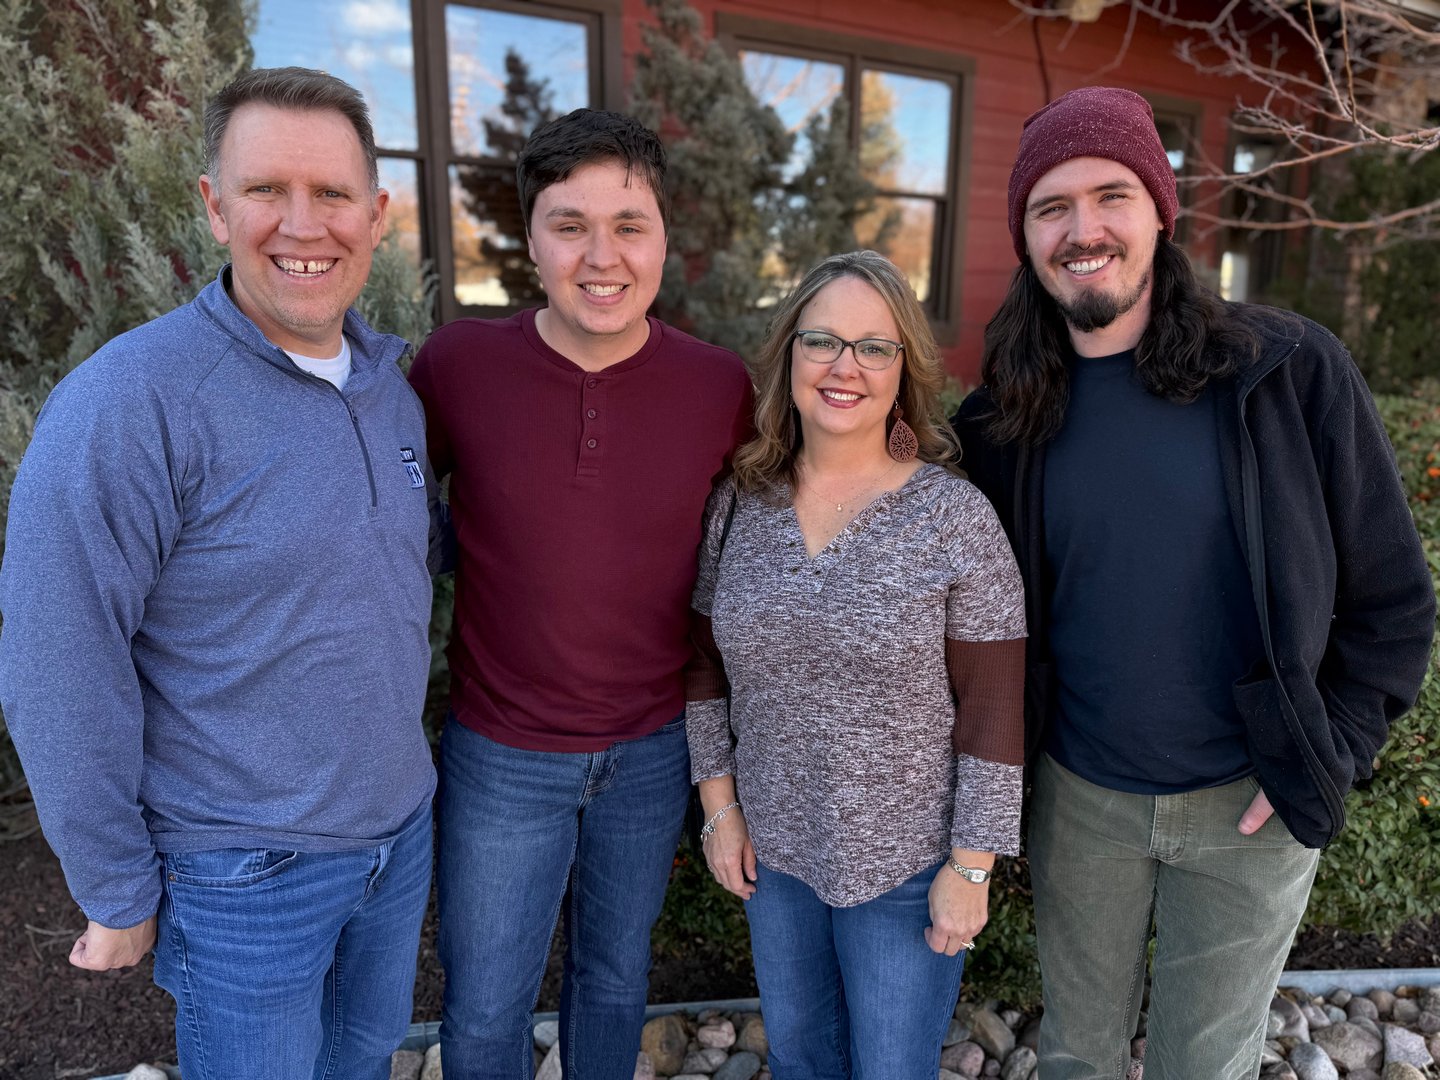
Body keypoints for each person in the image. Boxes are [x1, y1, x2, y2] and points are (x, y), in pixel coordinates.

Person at [953, 86, 1436, 1079]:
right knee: (1078, 1054)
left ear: (1161, 212)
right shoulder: (1000, 422)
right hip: (1080, 802)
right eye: (1051, 208)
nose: (1083, 230)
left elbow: (1392, 600)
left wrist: (1328, 752)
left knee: (1205, 1065)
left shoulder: (1286, 373)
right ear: (1026, 238)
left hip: (1249, 805)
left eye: (1112, 196)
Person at [0, 67, 438, 1079]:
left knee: (364, 1060)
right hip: (245, 873)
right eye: (266, 189)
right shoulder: (129, 404)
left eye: (332, 193)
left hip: (397, 836)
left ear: (376, 216)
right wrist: (115, 886)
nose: (303, 224)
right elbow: (58, 662)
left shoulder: (389, 391)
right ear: (212, 206)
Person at [406, 108, 753, 1078]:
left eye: (629, 225)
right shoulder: (458, 366)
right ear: (531, 239)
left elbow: (764, 545)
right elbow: (385, 518)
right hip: (501, 753)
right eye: (570, 225)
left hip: (651, 750)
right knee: (485, 1005)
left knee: (613, 981)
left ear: (664, 237)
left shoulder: (718, 386)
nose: (602, 257)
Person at [685, 250, 1027, 1079]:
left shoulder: (953, 519)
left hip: (907, 868)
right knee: (801, 1061)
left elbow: (993, 709)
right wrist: (719, 810)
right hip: (775, 856)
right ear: (789, 356)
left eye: (874, 347)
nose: (846, 367)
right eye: (823, 341)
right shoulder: (740, 502)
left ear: (904, 368)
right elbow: (704, 667)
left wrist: (972, 866)